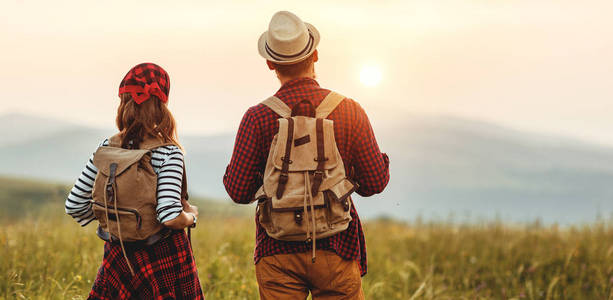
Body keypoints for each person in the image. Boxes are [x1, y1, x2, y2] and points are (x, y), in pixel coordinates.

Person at [223, 11, 390, 299]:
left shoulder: (257, 118)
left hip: (276, 251)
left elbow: (238, 191)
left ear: (270, 63)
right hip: (336, 246)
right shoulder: (349, 110)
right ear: (314, 55)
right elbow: (375, 183)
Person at [65, 63, 204, 299]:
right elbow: (169, 215)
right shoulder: (169, 152)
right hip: (163, 259)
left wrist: (115, 218)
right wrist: (191, 217)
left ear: (123, 102)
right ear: (162, 104)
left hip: (117, 257)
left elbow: (74, 205)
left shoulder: (106, 148)